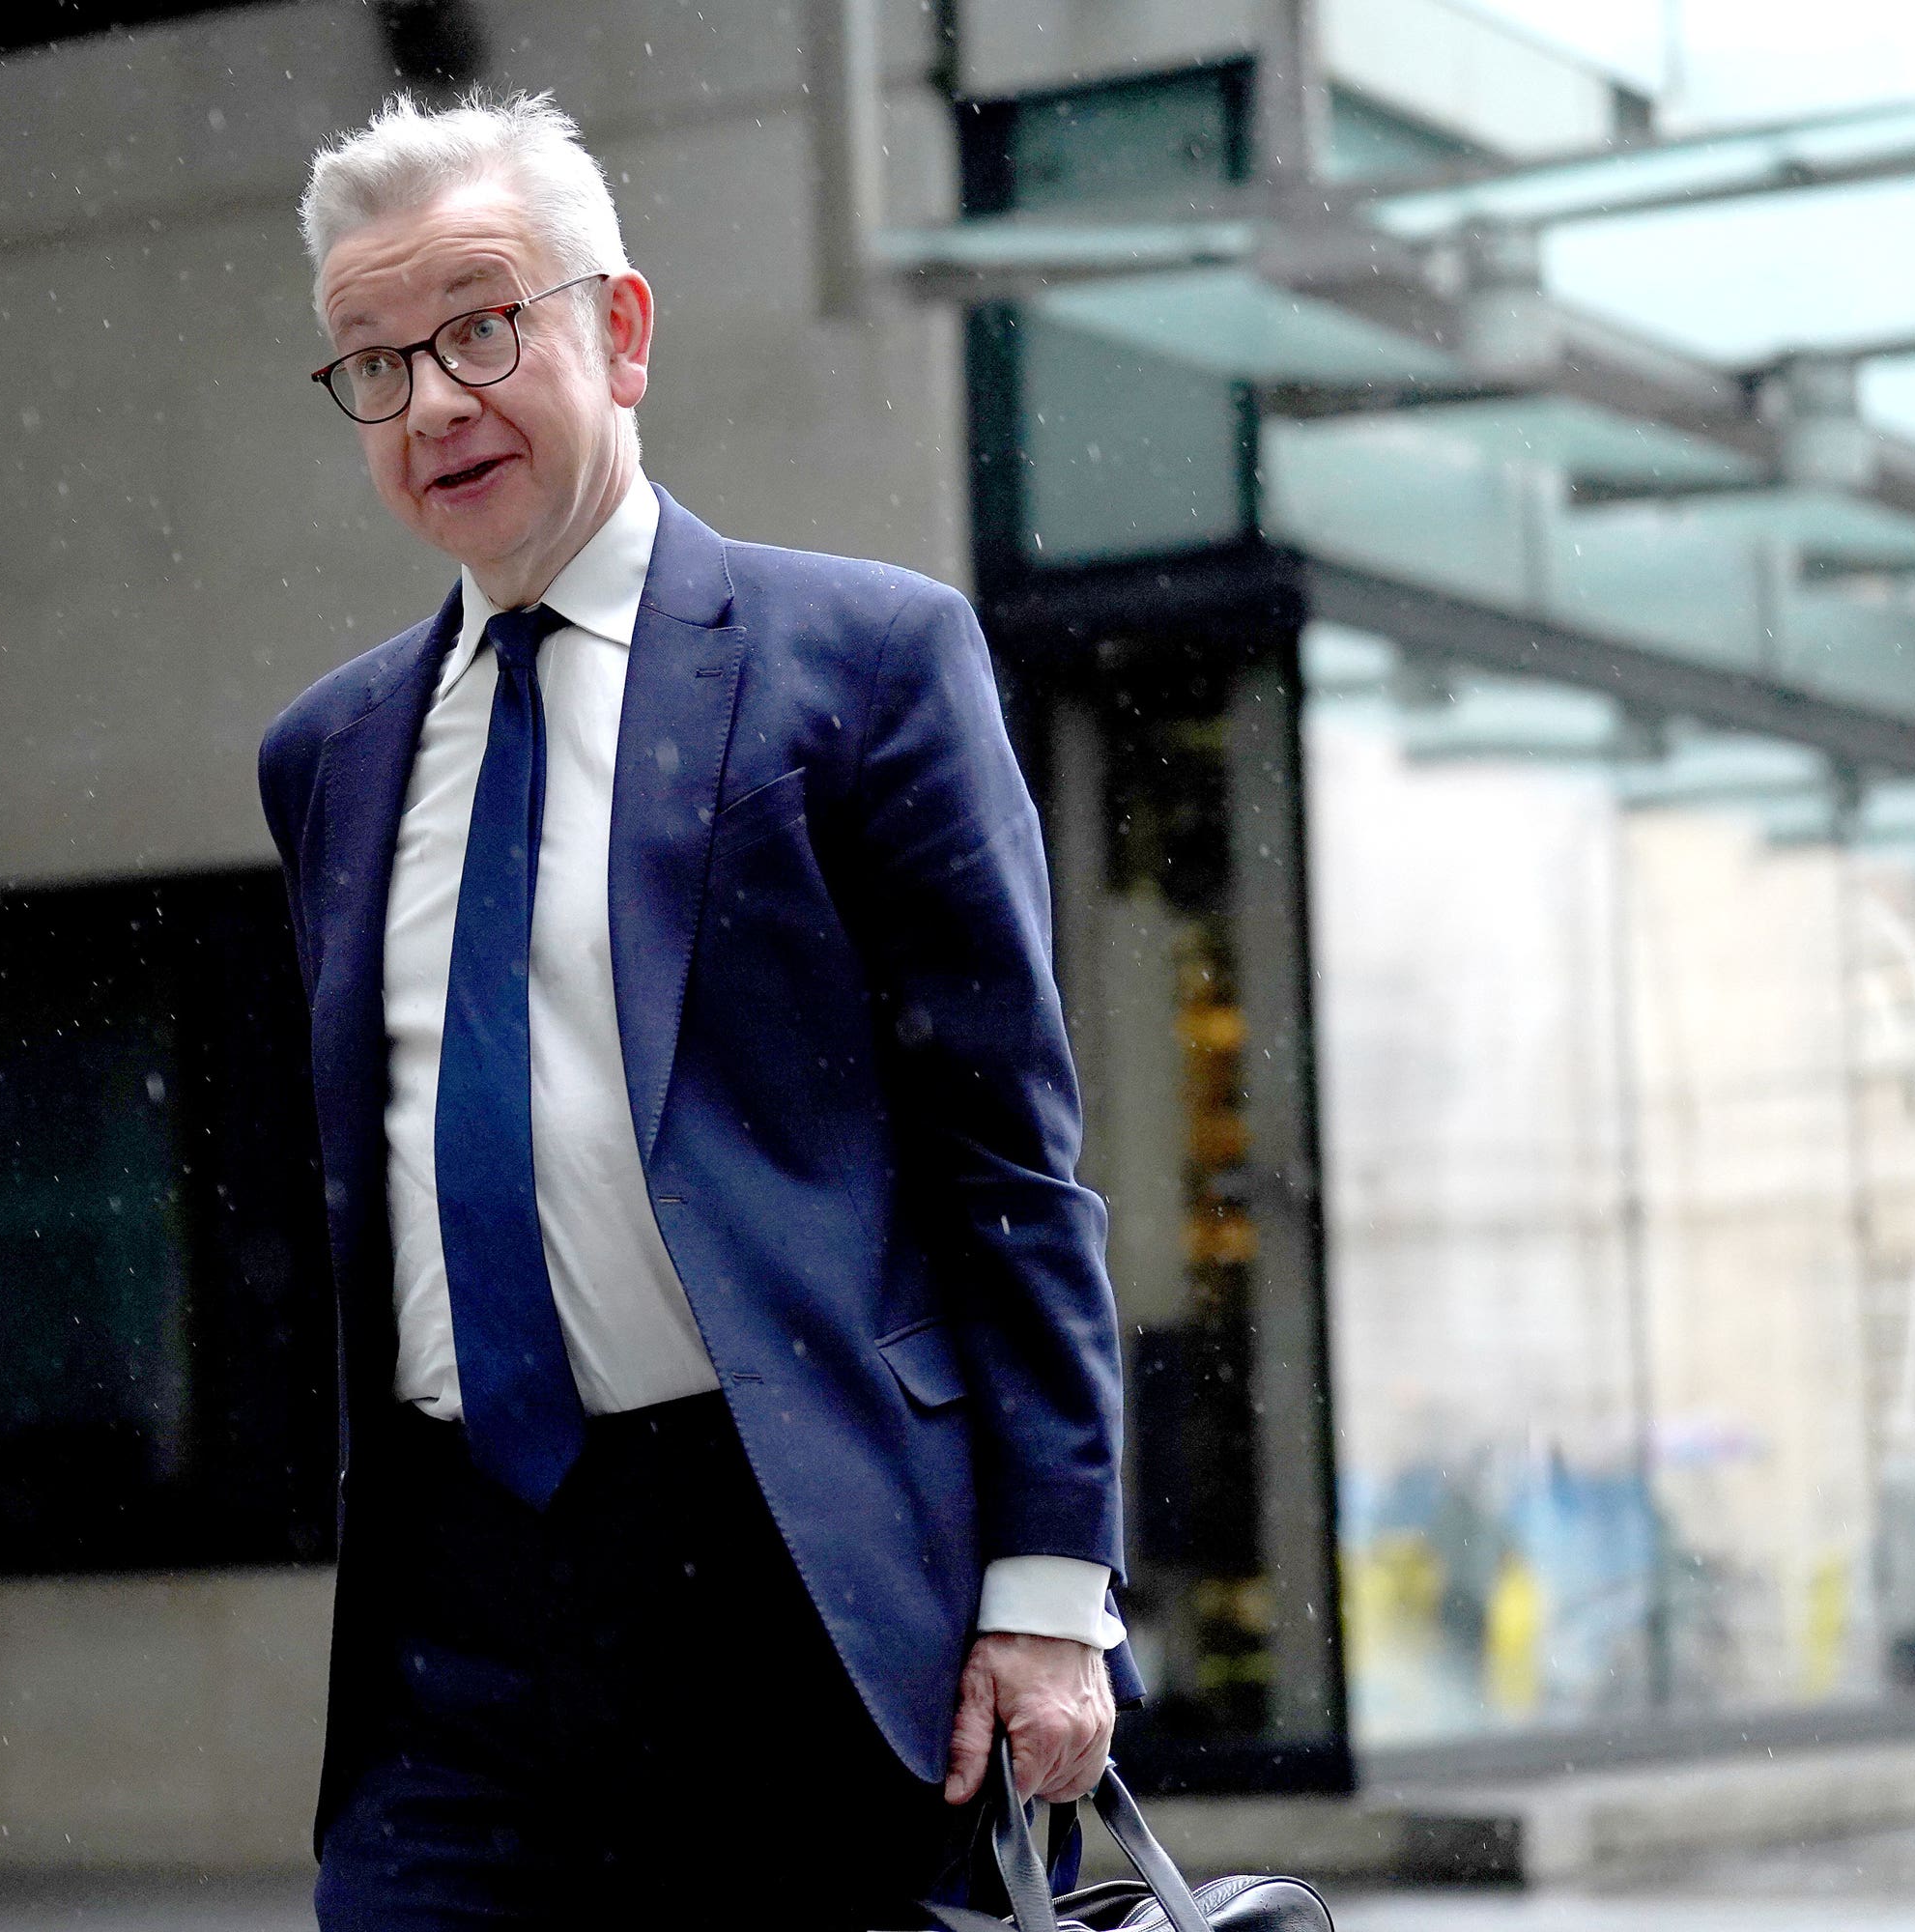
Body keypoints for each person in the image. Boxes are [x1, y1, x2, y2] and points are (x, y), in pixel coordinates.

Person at [258, 90, 1134, 1931]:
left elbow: (1007, 1153)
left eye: (482, 327)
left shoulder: (866, 664)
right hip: (454, 1619)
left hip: (784, 1574)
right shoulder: (329, 759)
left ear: (622, 329)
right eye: (373, 362)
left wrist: (1050, 1590)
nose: (431, 402)